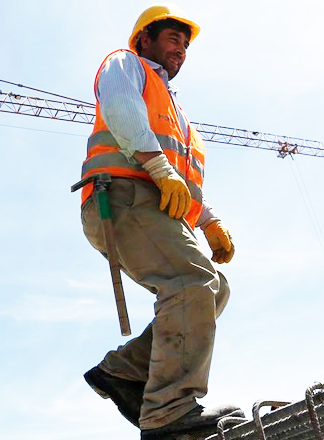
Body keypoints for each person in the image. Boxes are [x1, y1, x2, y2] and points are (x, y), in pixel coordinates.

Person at [78, 4, 244, 439]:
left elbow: (181, 180)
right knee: (192, 284)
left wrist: (208, 221)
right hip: (122, 197)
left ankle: (123, 371)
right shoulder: (126, 64)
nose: (181, 50)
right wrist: (160, 169)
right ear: (145, 39)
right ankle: (167, 412)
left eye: (186, 45)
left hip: (151, 201)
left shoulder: (176, 111)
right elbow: (119, 106)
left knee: (213, 288)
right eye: (173, 39)